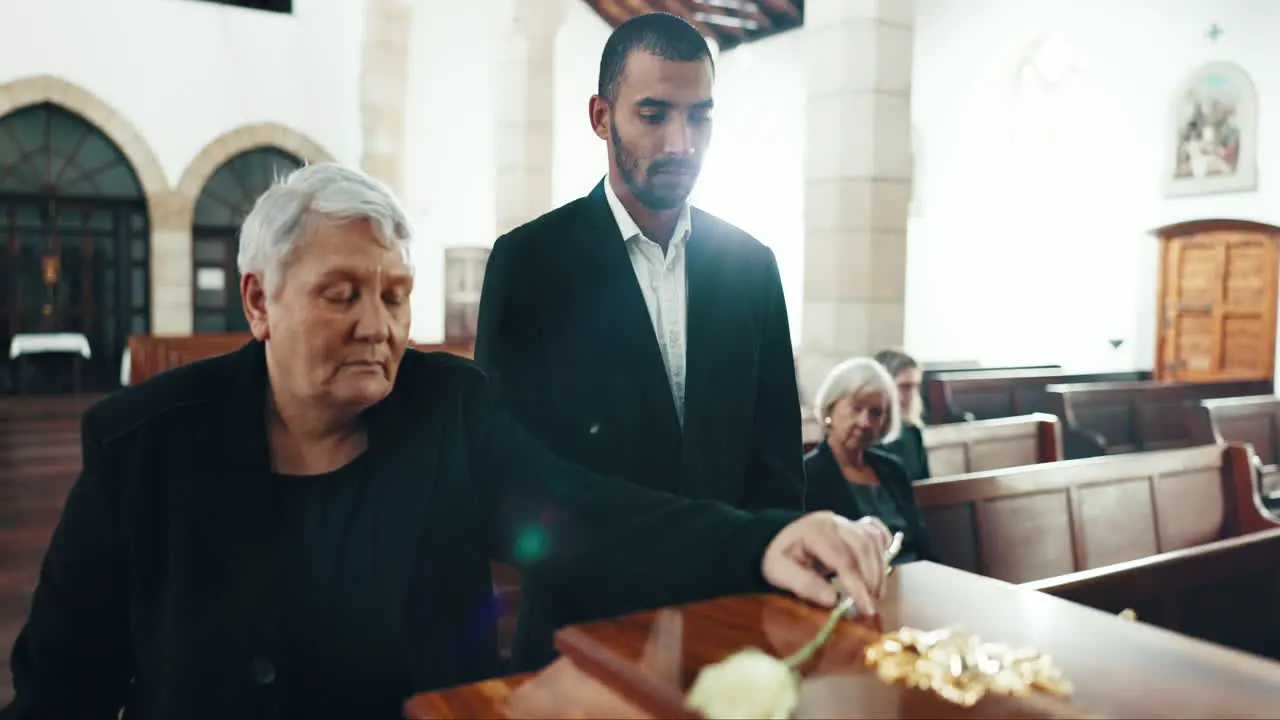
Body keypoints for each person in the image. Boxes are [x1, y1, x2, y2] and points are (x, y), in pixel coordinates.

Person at [2, 164, 891, 720]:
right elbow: (60, 690)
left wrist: (763, 537)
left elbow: (591, 518)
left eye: (395, 295)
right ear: (260, 301)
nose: (379, 327)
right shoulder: (141, 448)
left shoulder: (445, 412)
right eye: (341, 293)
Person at [475, 12, 806, 672]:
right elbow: (514, 485)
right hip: (581, 632)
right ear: (602, 117)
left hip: (729, 628)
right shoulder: (530, 263)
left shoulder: (752, 264)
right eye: (653, 114)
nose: (682, 142)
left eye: (699, 117)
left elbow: (775, 465)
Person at [804, 357, 936, 566]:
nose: (865, 422)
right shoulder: (808, 474)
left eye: (876, 413)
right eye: (856, 408)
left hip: (912, 579)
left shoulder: (892, 469)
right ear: (830, 408)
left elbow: (922, 545)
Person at [873, 348, 932, 482]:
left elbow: (927, 488)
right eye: (904, 387)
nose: (911, 396)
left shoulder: (912, 433)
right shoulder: (865, 435)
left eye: (915, 387)